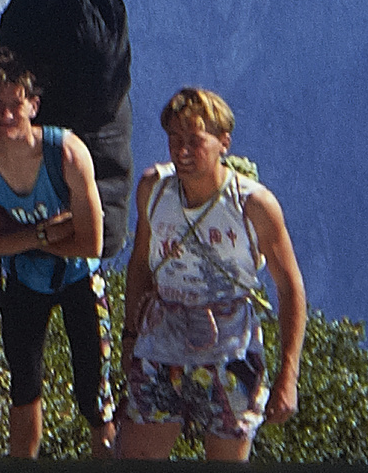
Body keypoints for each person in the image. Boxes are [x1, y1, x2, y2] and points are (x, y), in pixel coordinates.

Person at [116, 87, 306, 462]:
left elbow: (290, 287)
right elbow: (141, 263)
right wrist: (129, 338)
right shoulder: (154, 190)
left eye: (194, 141)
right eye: (174, 139)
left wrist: (288, 375)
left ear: (224, 143)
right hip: (159, 348)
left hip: (231, 354)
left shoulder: (253, 205)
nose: (182, 151)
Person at [0, 48, 115, 458]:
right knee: (23, 384)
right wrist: (44, 233)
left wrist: (14, 234)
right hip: (25, 279)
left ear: (34, 105)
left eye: (15, 105)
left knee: (94, 388)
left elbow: (92, 241)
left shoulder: (66, 153)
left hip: (80, 277)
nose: (6, 115)